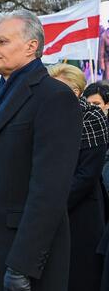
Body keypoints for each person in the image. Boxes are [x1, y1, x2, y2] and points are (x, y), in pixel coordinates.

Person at [0, 11, 82, 291]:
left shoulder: (54, 97)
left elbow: (49, 189)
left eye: (1, 41)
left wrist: (23, 264)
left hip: (20, 254)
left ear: (31, 46)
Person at [48, 63, 109, 291]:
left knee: (80, 276)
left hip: (81, 210)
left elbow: (88, 173)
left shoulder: (92, 118)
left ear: (74, 91)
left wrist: (54, 203)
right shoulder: (47, 117)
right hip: (50, 209)